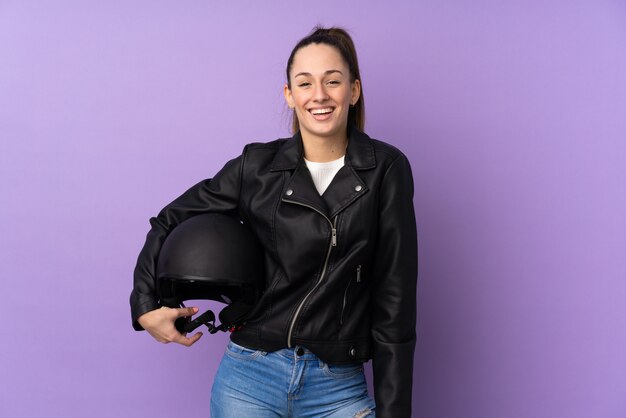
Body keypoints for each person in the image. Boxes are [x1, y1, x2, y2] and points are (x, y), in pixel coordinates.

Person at [130, 26, 418, 418]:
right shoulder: (257, 167)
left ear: (353, 91)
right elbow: (168, 220)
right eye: (305, 83)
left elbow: (395, 299)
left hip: (338, 386)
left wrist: (394, 411)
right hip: (249, 380)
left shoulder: (385, 170)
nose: (319, 95)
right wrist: (146, 304)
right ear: (290, 95)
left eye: (333, 81)